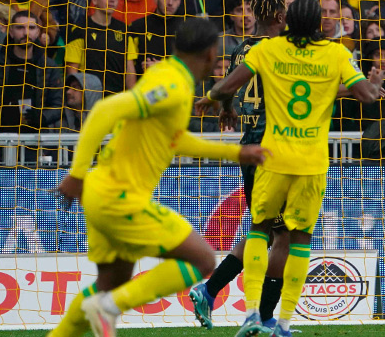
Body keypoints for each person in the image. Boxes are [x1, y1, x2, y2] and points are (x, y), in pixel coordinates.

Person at [47, 18, 268, 337]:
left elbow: (175, 140)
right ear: (211, 54)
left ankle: (91, 313)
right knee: (203, 259)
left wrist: (238, 153)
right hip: (116, 196)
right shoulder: (173, 86)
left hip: (102, 193)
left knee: (109, 283)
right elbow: (106, 110)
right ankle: (110, 307)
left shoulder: (169, 77)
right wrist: (76, 174)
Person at [199, 0, 385, 337]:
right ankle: (277, 321)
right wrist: (372, 82)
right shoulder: (334, 53)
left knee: (261, 229)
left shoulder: (264, 50)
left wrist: (211, 99)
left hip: (268, 152)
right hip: (310, 162)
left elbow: (226, 85)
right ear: (317, 24)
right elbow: (365, 95)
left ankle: (250, 310)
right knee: (295, 239)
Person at [189, 0, 290, 330]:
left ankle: (209, 289)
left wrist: (226, 108)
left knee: (262, 229)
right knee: (285, 235)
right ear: (278, 15)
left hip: (250, 146)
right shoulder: (280, 49)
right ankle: (264, 316)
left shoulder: (242, 48)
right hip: (270, 147)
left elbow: (232, 82)